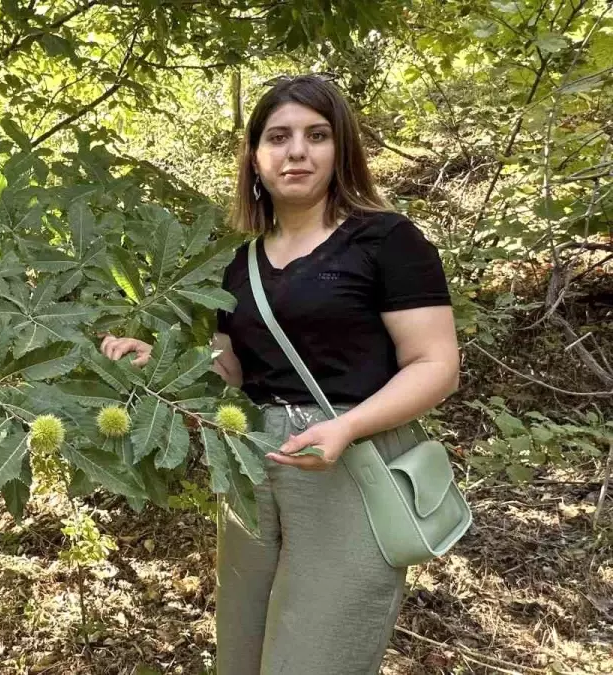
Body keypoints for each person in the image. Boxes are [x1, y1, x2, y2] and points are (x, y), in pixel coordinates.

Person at [100, 74, 460, 674]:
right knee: (241, 655)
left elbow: (437, 366)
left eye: (317, 135)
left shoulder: (386, 240)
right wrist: (158, 359)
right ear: (256, 158)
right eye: (279, 136)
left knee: (316, 658)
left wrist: (347, 428)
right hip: (253, 468)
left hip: (349, 465)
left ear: (341, 148)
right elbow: (231, 373)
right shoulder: (235, 265)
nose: (297, 151)